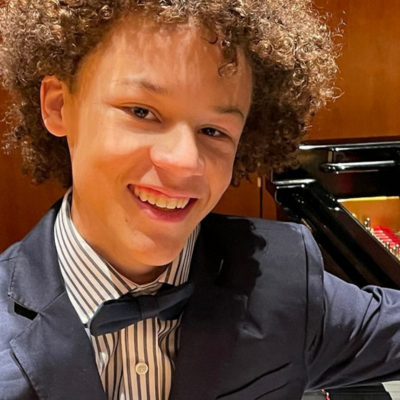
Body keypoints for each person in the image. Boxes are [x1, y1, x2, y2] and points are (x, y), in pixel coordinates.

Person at [0, 1, 399, 399]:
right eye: (141, 111)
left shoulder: (285, 284)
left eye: (213, 130)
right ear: (58, 105)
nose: (184, 163)